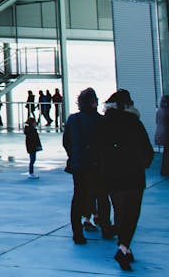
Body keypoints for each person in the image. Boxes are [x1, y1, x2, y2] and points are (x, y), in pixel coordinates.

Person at [101, 90, 154, 270]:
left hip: (111, 177)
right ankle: (123, 247)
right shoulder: (134, 123)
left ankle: (125, 248)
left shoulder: (104, 124)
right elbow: (147, 151)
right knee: (132, 214)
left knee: (120, 212)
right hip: (133, 176)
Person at [64, 88, 110, 244]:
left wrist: (74, 155)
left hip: (78, 165)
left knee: (78, 198)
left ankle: (77, 232)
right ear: (94, 102)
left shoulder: (73, 120)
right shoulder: (102, 121)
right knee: (102, 196)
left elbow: (66, 142)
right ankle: (105, 227)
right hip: (98, 165)